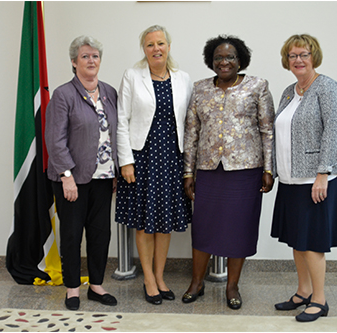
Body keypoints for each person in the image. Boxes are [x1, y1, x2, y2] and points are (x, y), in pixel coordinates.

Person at [182, 35, 275, 310]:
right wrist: (188, 172)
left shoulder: (257, 86)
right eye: (218, 58)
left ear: (240, 60)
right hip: (209, 169)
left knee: (240, 229)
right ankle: (196, 283)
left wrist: (269, 169)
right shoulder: (200, 89)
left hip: (245, 170)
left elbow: (267, 129)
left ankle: (232, 285)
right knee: (203, 228)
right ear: (211, 62)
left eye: (230, 57)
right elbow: (191, 132)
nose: (224, 62)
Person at [115, 25, 193, 305]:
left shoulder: (184, 79)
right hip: (142, 158)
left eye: (160, 43)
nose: (156, 49)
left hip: (172, 158)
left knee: (165, 223)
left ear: (168, 46)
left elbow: (188, 123)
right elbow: (121, 121)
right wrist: (125, 161)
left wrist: (189, 164)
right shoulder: (132, 76)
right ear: (144, 49)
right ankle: (148, 278)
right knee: (143, 222)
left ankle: (160, 277)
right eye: (150, 45)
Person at [271, 34, 337, 322]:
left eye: (304, 54)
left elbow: (333, 132)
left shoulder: (327, 88)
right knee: (296, 241)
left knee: (312, 243)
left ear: (314, 56)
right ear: (286, 60)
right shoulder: (290, 91)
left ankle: (319, 299)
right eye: (293, 56)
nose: (298, 60)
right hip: (290, 179)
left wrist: (322, 174)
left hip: (315, 181)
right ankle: (302, 292)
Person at [45, 35, 118, 311]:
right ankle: (73, 288)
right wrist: (66, 176)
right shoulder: (64, 94)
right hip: (71, 180)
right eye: (85, 56)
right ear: (74, 62)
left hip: (103, 177)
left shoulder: (110, 92)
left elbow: (114, 132)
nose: (91, 60)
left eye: (95, 56)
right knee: (73, 234)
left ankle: (97, 286)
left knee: (100, 233)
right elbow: (55, 139)